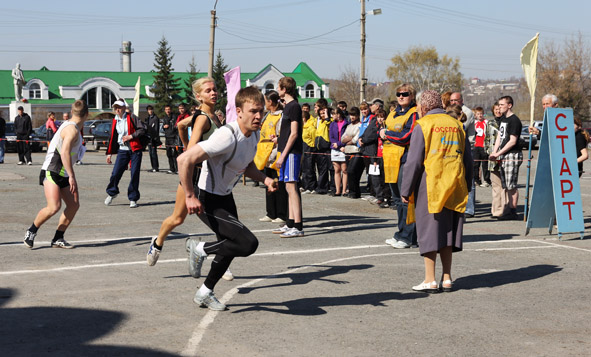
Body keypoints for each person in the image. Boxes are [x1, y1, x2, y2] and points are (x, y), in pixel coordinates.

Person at [179, 86, 277, 311]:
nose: (258, 116)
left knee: (231, 246)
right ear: (239, 111)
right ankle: (200, 248)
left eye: (261, 111)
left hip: (225, 197)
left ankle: (205, 292)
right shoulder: (226, 135)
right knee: (247, 243)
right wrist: (190, 195)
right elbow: (185, 160)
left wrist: (265, 179)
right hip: (207, 199)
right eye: (253, 111)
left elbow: (246, 165)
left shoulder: (254, 135)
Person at [147, 77, 228, 270]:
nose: (213, 93)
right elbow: (191, 152)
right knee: (178, 218)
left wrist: (184, 145)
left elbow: (181, 125)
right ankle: (157, 243)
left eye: (215, 89)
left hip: (211, 176)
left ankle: (224, 257)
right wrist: (188, 151)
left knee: (219, 218)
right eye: (208, 91)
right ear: (198, 96)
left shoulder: (214, 116)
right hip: (194, 176)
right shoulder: (202, 118)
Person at [400, 90, 473, 293]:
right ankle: (447, 277)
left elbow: (413, 162)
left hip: (431, 185)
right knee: (448, 231)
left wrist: (405, 189)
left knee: (430, 230)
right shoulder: (457, 125)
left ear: (423, 107)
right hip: (455, 183)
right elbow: (468, 160)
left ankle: (430, 279)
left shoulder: (423, 125)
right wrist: (467, 184)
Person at [23, 100, 89, 249]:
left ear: (72, 112)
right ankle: (31, 231)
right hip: (52, 170)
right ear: (86, 114)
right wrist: (72, 176)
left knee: (73, 205)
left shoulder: (74, 128)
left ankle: (58, 238)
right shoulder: (71, 130)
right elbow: (65, 152)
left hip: (63, 171)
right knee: (54, 206)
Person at [380, 84, 419, 249]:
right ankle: (401, 233)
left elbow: (407, 136)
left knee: (406, 199)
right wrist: (385, 134)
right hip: (390, 158)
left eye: (405, 94)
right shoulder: (394, 112)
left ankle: (408, 236)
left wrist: (388, 134)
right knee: (396, 199)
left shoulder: (414, 113)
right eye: (398, 94)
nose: (401, 96)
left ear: (412, 96)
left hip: (405, 159)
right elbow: (382, 130)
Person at [273, 77, 304, 238]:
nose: (278, 90)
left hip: (292, 153)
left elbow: (294, 134)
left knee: (292, 188)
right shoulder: (287, 107)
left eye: (279, 88)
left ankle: (298, 226)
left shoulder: (294, 107)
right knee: (287, 187)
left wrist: (283, 155)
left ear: (285, 89)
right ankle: (290, 223)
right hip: (285, 151)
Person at [104, 99, 146, 209]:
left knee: (134, 174)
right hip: (122, 150)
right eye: (115, 107)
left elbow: (142, 129)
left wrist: (131, 136)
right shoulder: (115, 120)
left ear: (123, 108)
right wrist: (109, 154)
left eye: (119, 107)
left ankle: (133, 198)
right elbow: (112, 137)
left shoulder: (131, 117)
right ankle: (112, 192)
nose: (117, 109)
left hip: (135, 150)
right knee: (115, 173)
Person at [254, 90, 288, 224]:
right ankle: (271, 212)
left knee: (278, 185)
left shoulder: (282, 116)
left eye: (265, 101)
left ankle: (281, 213)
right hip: (265, 155)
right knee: (268, 184)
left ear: (270, 102)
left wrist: (277, 139)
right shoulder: (267, 115)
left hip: (275, 154)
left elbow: (284, 134)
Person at [489, 96, 522, 220]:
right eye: (499, 104)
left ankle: (512, 210)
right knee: (505, 183)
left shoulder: (514, 120)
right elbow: (499, 137)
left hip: (512, 154)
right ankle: (507, 209)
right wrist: (494, 151)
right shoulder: (503, 119)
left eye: (502, 104)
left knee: (511, 184)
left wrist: (498, 154)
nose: (500, 107)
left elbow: (512, 141)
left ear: (509, 105)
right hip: (503, 154)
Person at [450, 92, 475, 218]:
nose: (453, 102)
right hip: (455, 148)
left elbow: (460, 127)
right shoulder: (449, 111)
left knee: (468, 176)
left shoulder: (467, 112)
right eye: (451, 100)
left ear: (461, 100)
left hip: (467, 147)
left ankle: (469, 208)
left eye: (456, 100)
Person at [312, 102, 331, 194]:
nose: (322, 115)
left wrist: (326, 113)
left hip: (325, 147)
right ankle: (323, 185)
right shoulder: (320, 121)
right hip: (319, 147)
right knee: (320, 168)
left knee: (325, 169)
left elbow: (328, 121)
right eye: (321, 114)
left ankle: (323, 187)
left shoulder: (328, 121)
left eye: (324, 113)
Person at [329, 108, 349, 196]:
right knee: (336, 169)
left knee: (344, 170)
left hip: (343, 148)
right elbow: (331, 137)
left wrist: (341, 145)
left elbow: (347, 136)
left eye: (334, 114)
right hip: (335, 148)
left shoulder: (346, 123)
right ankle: (338, 190)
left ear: (339, 114)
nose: (332, 116)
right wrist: (336, 144)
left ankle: (344, 190)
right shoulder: (332, 124)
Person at [300, 103, 317, 193]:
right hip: (303, 147)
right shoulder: (302, 127)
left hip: (309, 148)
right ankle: (305, 185)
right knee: (304, 168)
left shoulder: (310, 127)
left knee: (309, 168)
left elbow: (314, 139)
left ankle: (311, 186)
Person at [472, 107, 490, 187]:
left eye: (481, 114)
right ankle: (476, 180)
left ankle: (486, 180)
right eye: (478, 114)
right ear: (475, 115)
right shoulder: (474, 123)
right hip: (476, 146)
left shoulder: (486, 122)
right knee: (476, 164)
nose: (480, 116)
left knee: (485, 164)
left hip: (484, 146)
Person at [162, 104, 179, 174]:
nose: (167, 111)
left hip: (173, 137)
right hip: (167, 137)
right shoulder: (165, 117)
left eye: (168, 109)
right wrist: (164, 127)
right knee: (168, 154)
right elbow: (163, 127)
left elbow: (175, 126)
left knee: (175, 154)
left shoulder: (174, 117)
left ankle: (177, 169)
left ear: (171, 110)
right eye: (166, 110)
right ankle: (171, 168)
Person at [145, 105, 161, 173]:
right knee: (150, 153)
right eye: (149, 110)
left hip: (153, 138)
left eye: (151, 109)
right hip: (149, 138)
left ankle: (155, 167)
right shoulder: (148, 118)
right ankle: (153, 166)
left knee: (154, 153)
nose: (150, 111)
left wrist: (155, 137)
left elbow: (156, 129)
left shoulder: (155, 118)